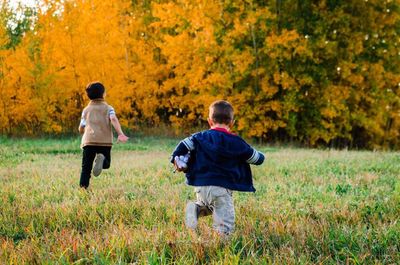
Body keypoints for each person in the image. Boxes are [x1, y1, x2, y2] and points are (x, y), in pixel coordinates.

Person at [170, 100, 265, 236]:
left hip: (201, 186)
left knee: (208, 206)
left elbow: (183, 145)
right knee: (224, 220)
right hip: (221, 188)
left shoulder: (199, 137)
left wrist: (176, 157)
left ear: (209, 121)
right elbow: (255, 158)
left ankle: (195, 209)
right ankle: (221, 244)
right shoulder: (236, 142)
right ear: (232, 123)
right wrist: (262, 157)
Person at [78, 81, 129, 189]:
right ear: (103, 94)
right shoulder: (109, 108)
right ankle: (102, 158)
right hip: (104, 142)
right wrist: (120, 133)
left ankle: (83, 188)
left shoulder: (86, 110)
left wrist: (83, 130)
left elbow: (81, 127)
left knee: (86, 167)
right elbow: (113, 119)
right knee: (106, 164)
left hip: (89, 141)